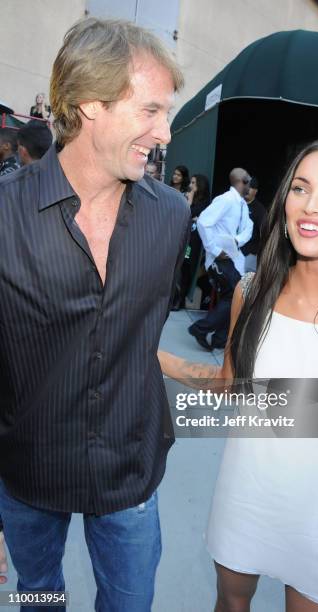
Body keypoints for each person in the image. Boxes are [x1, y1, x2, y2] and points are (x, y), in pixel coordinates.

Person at [159, 137, 318, 611]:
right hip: (246, 495)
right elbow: (231, 386)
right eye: (300, 188)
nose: (311, 205)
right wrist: (154, 357)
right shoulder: (250, 292)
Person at [0, 17, 189, 611]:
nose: (165, 132)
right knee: (39, 598)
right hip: (28, 470)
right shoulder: (5, 215)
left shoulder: (170, 216)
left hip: (130, 473)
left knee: (130, 604)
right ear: (89, 104)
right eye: (151, 110)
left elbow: (137, 334)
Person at [188, 168, 253, 350]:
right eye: (248, 180)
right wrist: (215, 250)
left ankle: (220, 339)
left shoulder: (242, 204)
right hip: (220, 259)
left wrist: (235, 241)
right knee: (233, 296)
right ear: (242, 181)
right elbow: (203, 222)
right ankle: (201, 328)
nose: (251, 184)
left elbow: (249, 228)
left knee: (235, 298)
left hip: (233, 259)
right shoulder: (226, 200)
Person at [178, 174, 211, 308]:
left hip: (192, 244)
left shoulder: (204, 204)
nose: (190, 186)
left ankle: (179, 301)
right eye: (190, 182)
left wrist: (190, 202)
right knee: (180, 269)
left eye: (193, 183)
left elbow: (188, 214)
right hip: (183, 239)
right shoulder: (189, 199)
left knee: (186, 268)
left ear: (200, 186)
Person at [241, 176, 267, 272]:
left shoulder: (259, 210)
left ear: (255, 191)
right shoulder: (235, 202)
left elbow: (265, 233)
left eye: (251, 187)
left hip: (249, 254)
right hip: (231, 250)